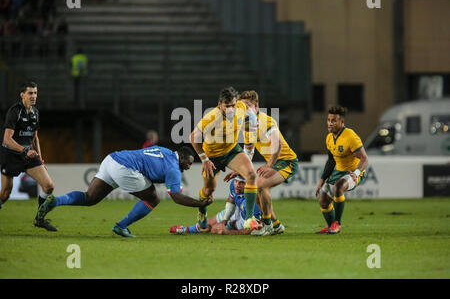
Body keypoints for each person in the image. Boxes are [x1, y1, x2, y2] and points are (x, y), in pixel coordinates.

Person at [36, 145, 213, 237]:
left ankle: (55, 201)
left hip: (112, 159)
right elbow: (176, 197)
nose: (189, 167)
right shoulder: (174, 168)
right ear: (181, 158)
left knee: (90, 198)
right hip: (125, 168)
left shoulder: (165, 151)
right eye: (188, 163)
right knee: (153, 199)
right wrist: (199, 204)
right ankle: (121, 226)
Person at [224, 90, 298, 236]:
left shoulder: (266, 121)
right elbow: (249, 152)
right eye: (242, 106)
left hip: (287, 161)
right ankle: (276, 225)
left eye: (248, 105)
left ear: (256, 106)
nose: (245, 109)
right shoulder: (248, 126)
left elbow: (278, 145)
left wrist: (270, 165)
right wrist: (240, 169)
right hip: (275, 163)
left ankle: (267, 225)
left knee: (259, 185)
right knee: (255, 189)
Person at [190, 87, 260, 231]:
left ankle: (248, 219)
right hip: (212, 157)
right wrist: (204, 159)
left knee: (251, 174)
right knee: (209, 191)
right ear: (219, 105)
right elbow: (193, 136)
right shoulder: (212, 117)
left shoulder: (241, 107)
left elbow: (251, 119)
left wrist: (250, 135)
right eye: (227, 106)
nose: (231, 109)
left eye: (233, 105)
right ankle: (202, 215)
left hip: (231, 151)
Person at [0, 81, 57, 231]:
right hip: (11, 155)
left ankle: (39, 219)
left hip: (29, 155)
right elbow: (6, 139)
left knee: (49, 186)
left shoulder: (35, 112)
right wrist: (24, 150)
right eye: (30, 93)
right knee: (5, 194)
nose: (33, 96)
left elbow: (35, 137)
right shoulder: (15, 111)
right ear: (22, 95)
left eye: (35, 93)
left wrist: (41, 159)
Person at [314, 106, 369, 234]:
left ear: (342, 122)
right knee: (323, 200)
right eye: (328, 120)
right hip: (338, 172)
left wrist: (356, 173)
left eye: (333, 120)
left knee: (338, 187)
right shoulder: (329, 138)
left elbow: (364, 158)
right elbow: (331, 161)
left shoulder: (350, 136)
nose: (330, 123)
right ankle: (330, 227)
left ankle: (337, 223)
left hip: (352, 172)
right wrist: (322, 180)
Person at [170, 175, 286, 235]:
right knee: (210, 223)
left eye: (241, 183)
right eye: (236, 181)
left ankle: (230, 225)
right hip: (237, 210)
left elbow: (252, 231)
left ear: (248, 185)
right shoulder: (233, 185)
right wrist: (224, 221)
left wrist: (227, 231)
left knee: (216, 230)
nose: (237, 185)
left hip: (246, 218)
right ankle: (186, 230)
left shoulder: (255, 202)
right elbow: (231, 201)